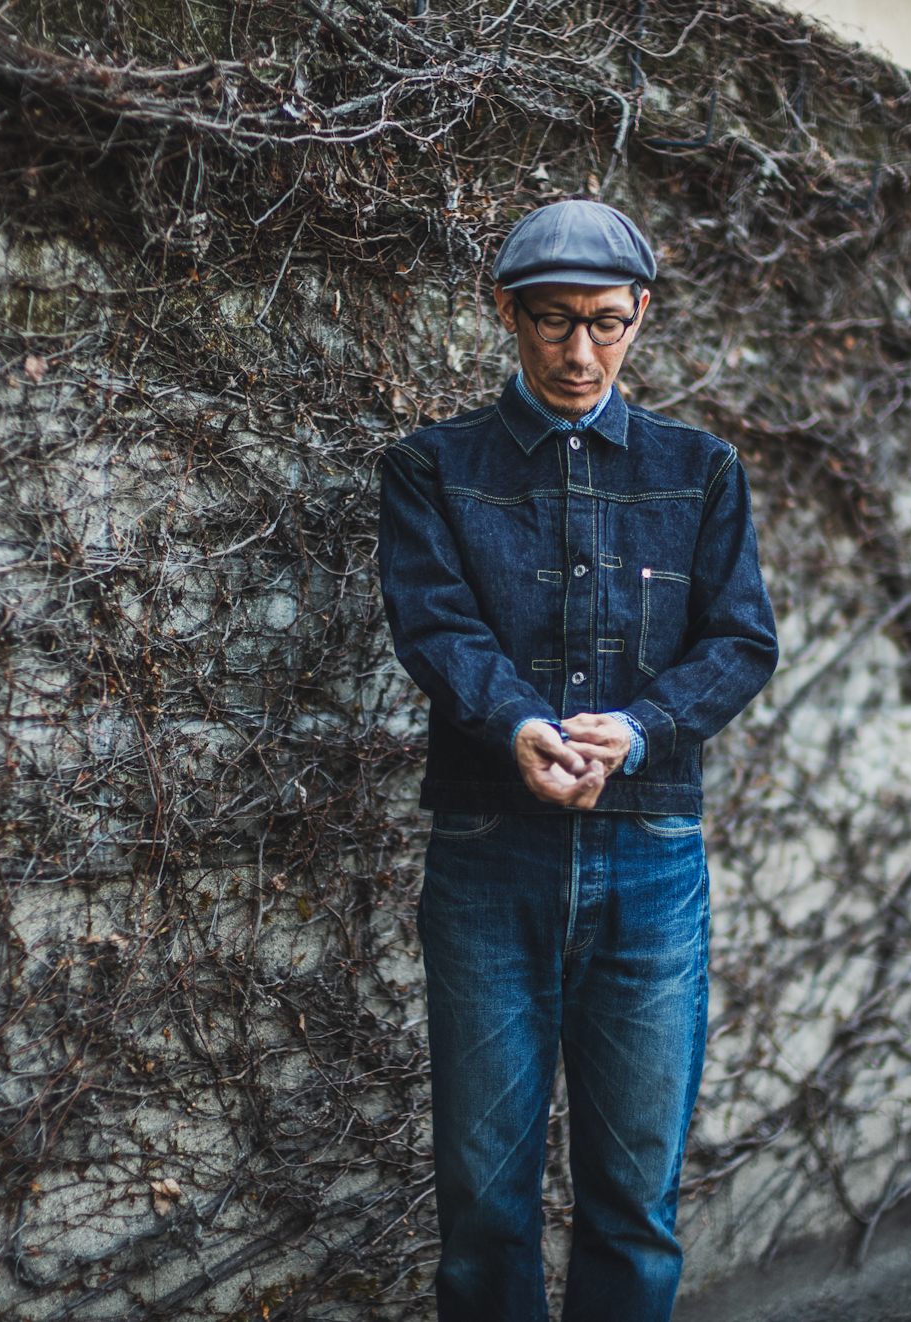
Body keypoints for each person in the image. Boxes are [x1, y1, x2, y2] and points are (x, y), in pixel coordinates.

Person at [378, 199, 778, 1322]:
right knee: (483, 1212)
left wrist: (641, 728)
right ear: (505, 311)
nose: (579, 352)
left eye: (606, 322)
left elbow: (741, 640)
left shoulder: (701, 469)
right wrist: (517, 724)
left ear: (639, 315)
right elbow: (435, 625)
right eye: (553, 320)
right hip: (485, 855)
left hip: (651, 856)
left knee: (634, 1207)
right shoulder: (430, 466)